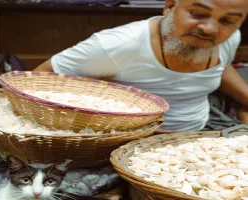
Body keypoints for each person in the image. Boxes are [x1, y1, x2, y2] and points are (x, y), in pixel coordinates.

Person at [33, 0, 248, 132]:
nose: (210, 29)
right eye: (198, 14)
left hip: (202, 133)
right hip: (129, 145)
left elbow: (220, 67)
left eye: (228, 21)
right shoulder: (116, 45)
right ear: (170, 6)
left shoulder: (229, 38)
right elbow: (36, 81)